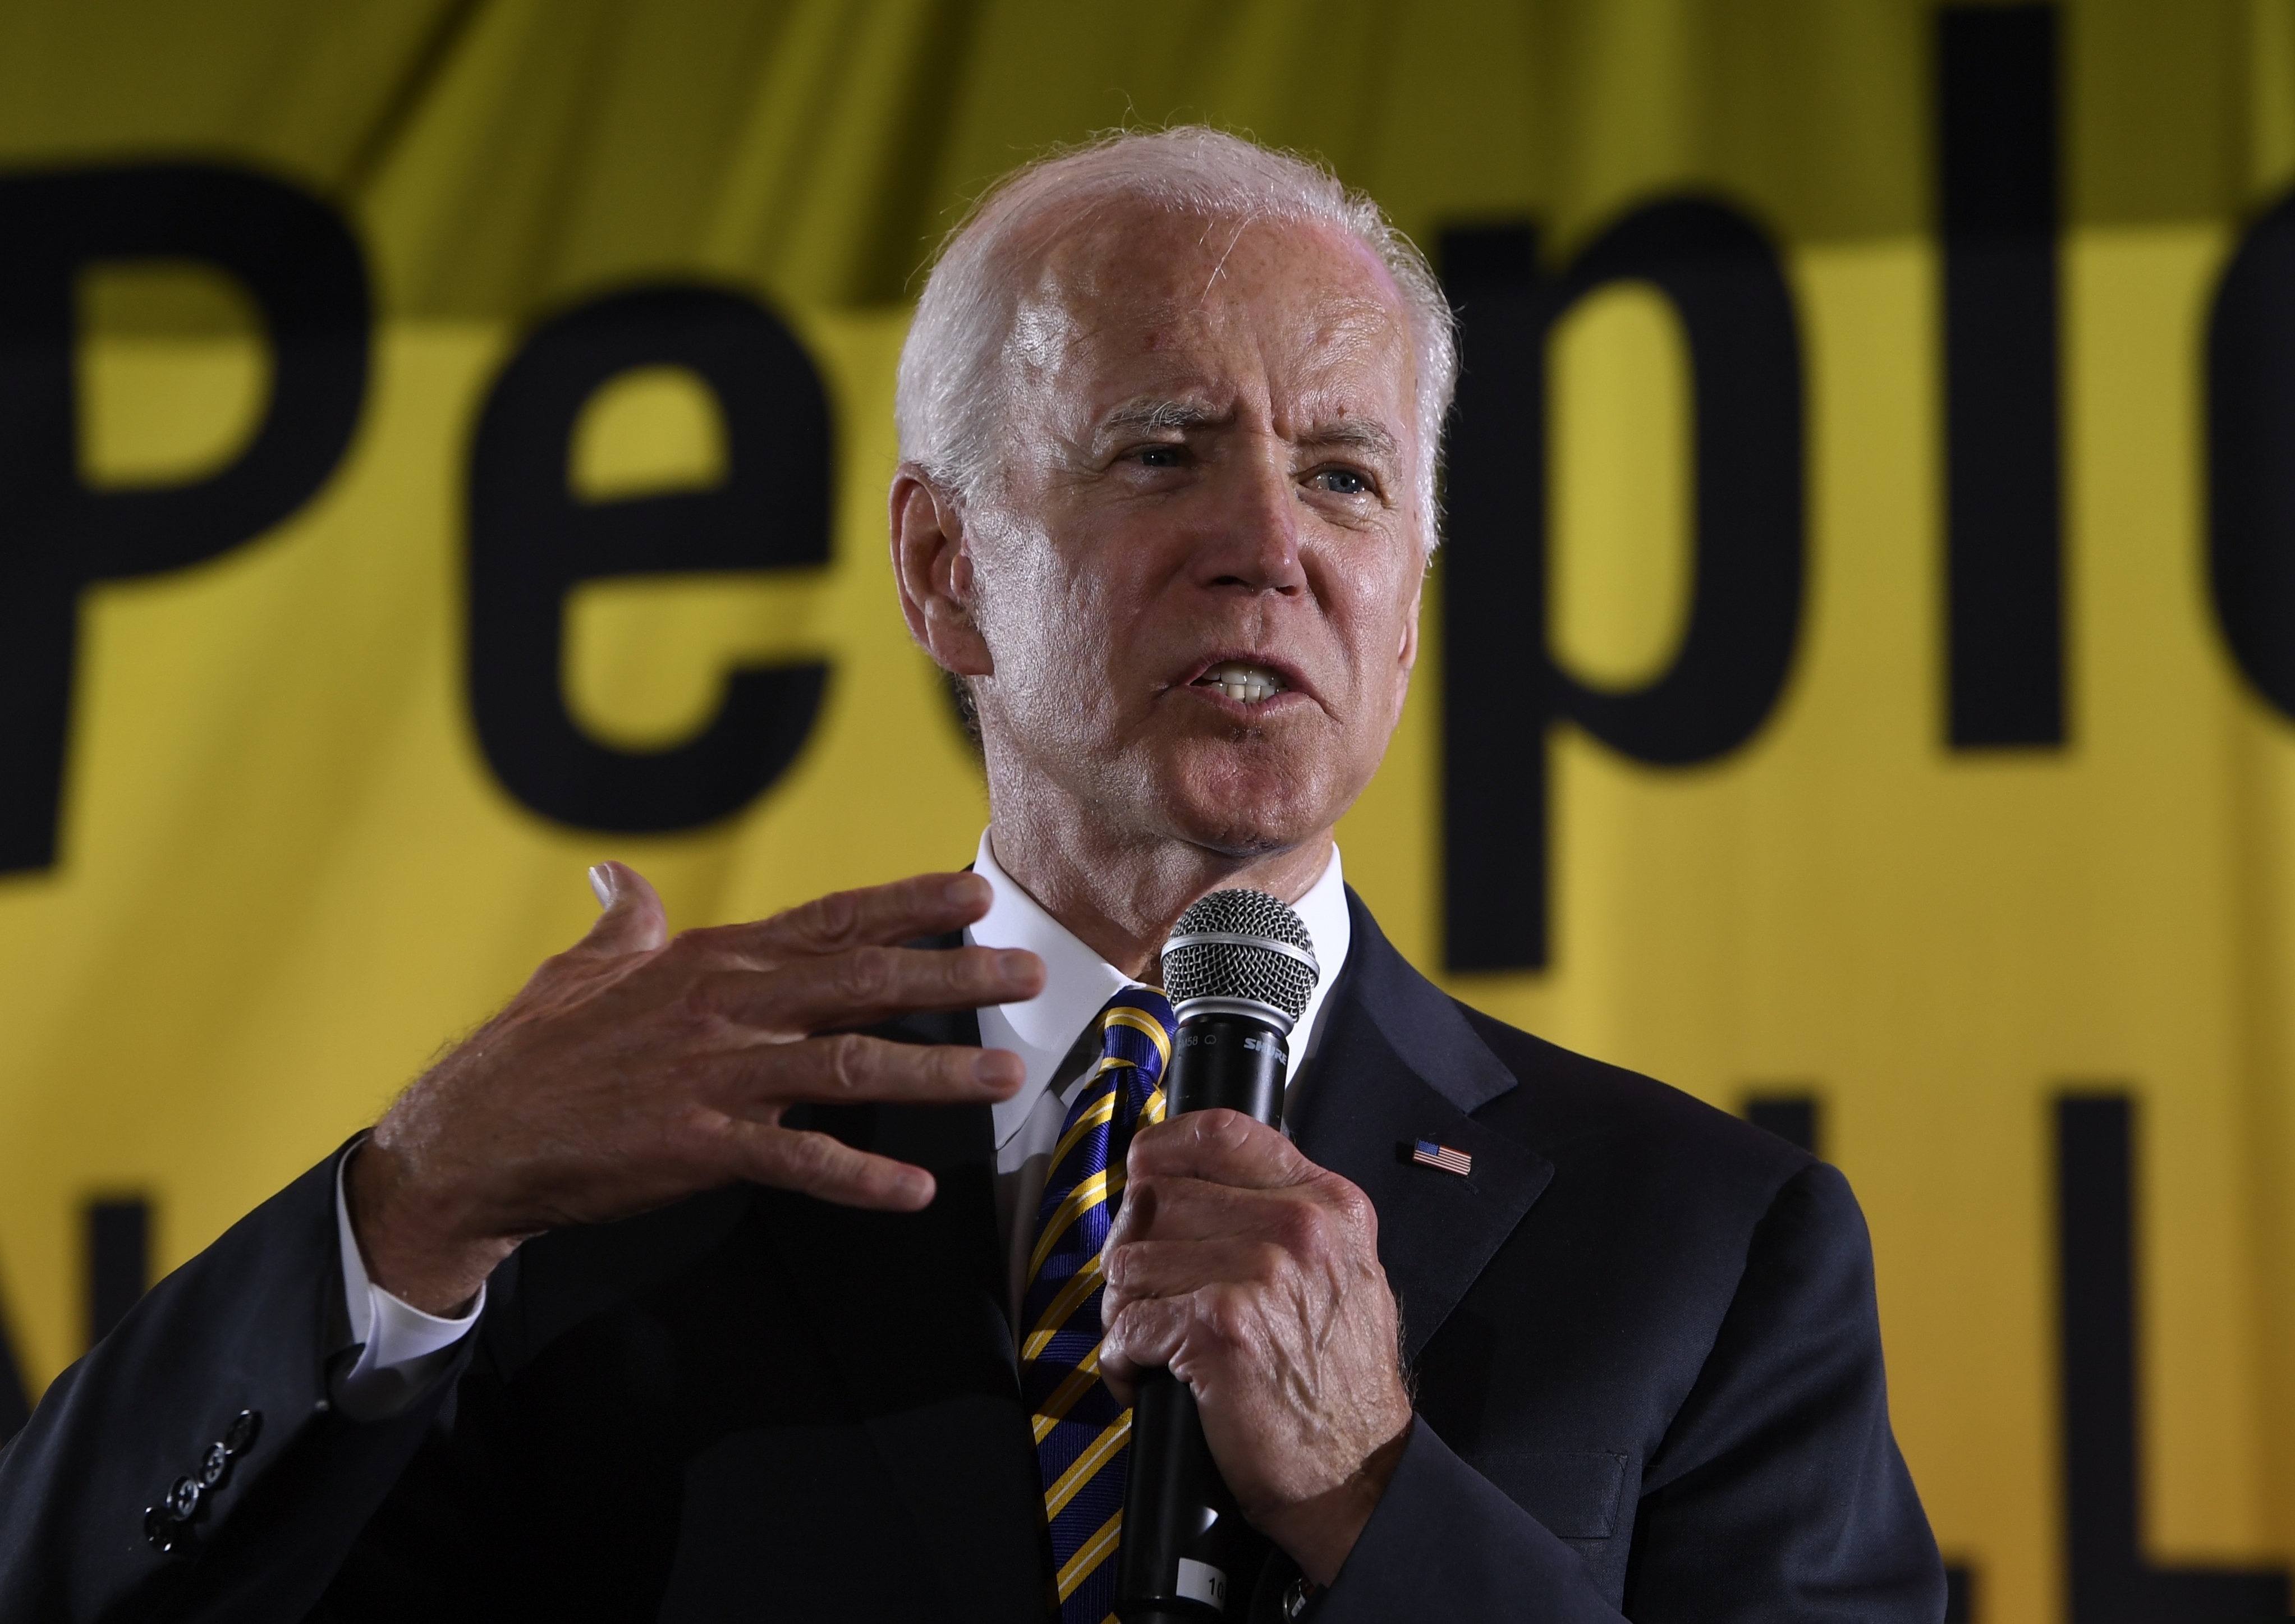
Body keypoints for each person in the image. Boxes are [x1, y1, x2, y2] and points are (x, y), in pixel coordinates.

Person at [0, 127, 1943, 1623]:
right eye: (1165, 449)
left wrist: (1376, 1495)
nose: (1270, 538)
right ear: (945, 569)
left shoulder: (1702, 1249)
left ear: (1412, 601)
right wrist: (411, 1200)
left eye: (1347, 475)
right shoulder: (623, 1181)